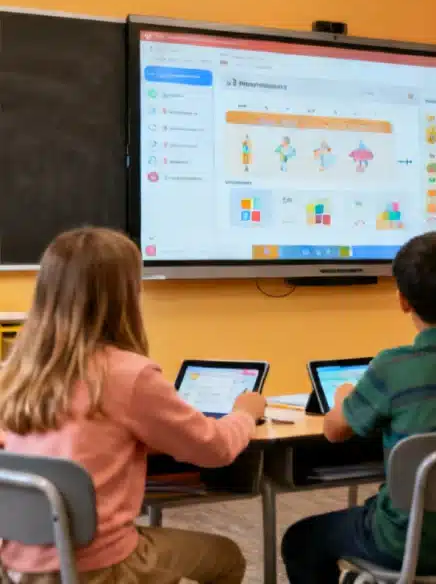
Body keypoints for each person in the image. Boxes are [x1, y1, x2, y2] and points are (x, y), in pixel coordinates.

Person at [0, 228, 263, 584]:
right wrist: (245, 413)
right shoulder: (128, 375)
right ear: (125, 295)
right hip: (98, 569)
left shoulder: (15, 373)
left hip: (18, 566)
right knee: (226, 557)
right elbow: (215, 449)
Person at [281, 231, 436, 582]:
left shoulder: (392, 367)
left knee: (300, 539)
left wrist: (346, 395)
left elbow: (333, 431)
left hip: (404, 541)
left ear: (402, 300)